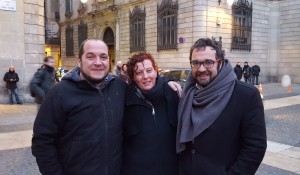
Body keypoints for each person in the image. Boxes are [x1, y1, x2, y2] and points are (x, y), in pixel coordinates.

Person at [31, 39, 181, 175]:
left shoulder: (119, 87)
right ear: (79, 61)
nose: (98, 62)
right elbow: (42, 142)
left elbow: (145, 84)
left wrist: (166, 82)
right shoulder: (58, 93)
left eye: (103, 57)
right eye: (90, 57)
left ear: (109, 61)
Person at [177, 38, 267, 175]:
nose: (201, 69)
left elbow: (255, 147)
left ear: (220, 63)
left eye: (208, 62)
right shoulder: (188, 94)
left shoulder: (246, 95)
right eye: (195, 63)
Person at [121, 53, 179, 175]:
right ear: (133, 77)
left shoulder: (172, 95)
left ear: (156, 71)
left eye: (149, 70)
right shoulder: (125, 101)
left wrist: (167, 81)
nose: (145, 76)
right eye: (139, 73)